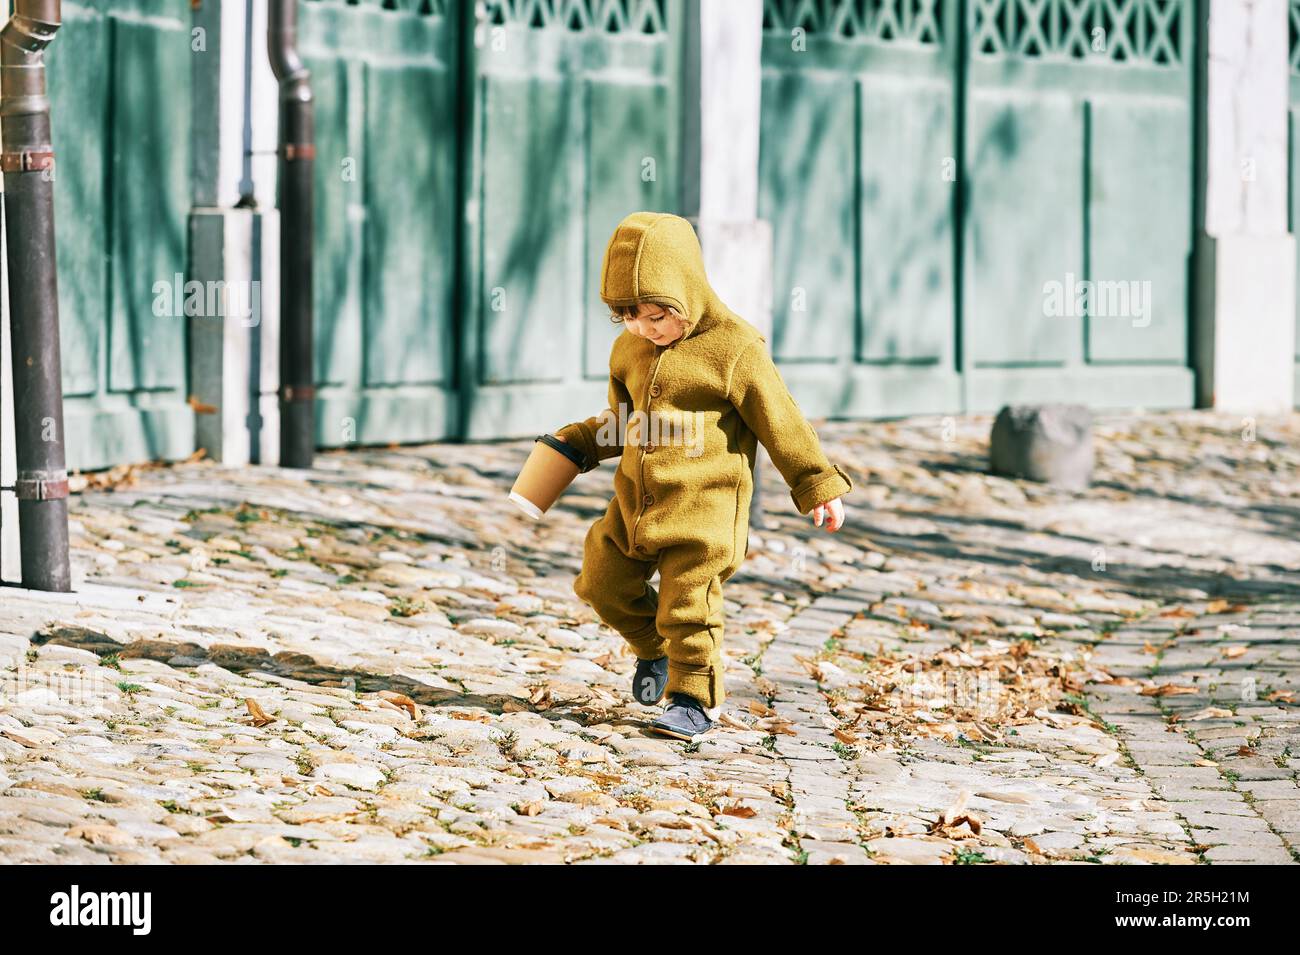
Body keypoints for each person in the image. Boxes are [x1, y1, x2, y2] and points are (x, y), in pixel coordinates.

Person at [555, 212, 852, 740]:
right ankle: (654, 651)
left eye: (655, 316)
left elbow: (779, 418)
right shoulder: (629, 349)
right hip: (636, 504)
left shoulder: (734, 348)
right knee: (601, 581)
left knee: (689, 606)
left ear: (686, 293)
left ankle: (694, 698)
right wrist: (577, 444)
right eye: (628, 316)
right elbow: (623, 423)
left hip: (705, 511)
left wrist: (815, 484)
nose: (643, 329)